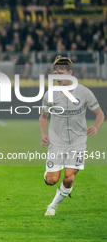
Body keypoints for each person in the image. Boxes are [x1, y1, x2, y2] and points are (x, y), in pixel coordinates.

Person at [39, 56, 104, 216]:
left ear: (70, 72)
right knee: (52, 180)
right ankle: (47, 175)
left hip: (78, 142)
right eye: (55, 73)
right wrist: (43, 135)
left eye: (60, 73)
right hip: (57, 142)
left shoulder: (84, 92)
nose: (57, 77)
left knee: (69, 178)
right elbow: (43, 117)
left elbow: (99, 113)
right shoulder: (50, 95)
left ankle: (52, 207)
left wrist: (96, 127)